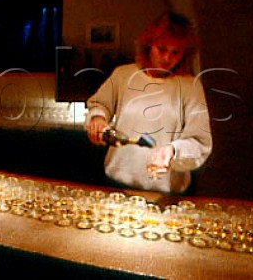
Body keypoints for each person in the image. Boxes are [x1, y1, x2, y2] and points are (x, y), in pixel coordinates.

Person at [85, 11, 212, 194]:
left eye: (175, 52)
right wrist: (97, 118)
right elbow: (99, 105)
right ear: (148, 45)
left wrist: (173, 151)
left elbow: (200, 142)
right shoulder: (123, 75)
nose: (167, 58)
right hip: (115, 184)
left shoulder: (190, 86)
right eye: (162, 49)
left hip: (165, 191)